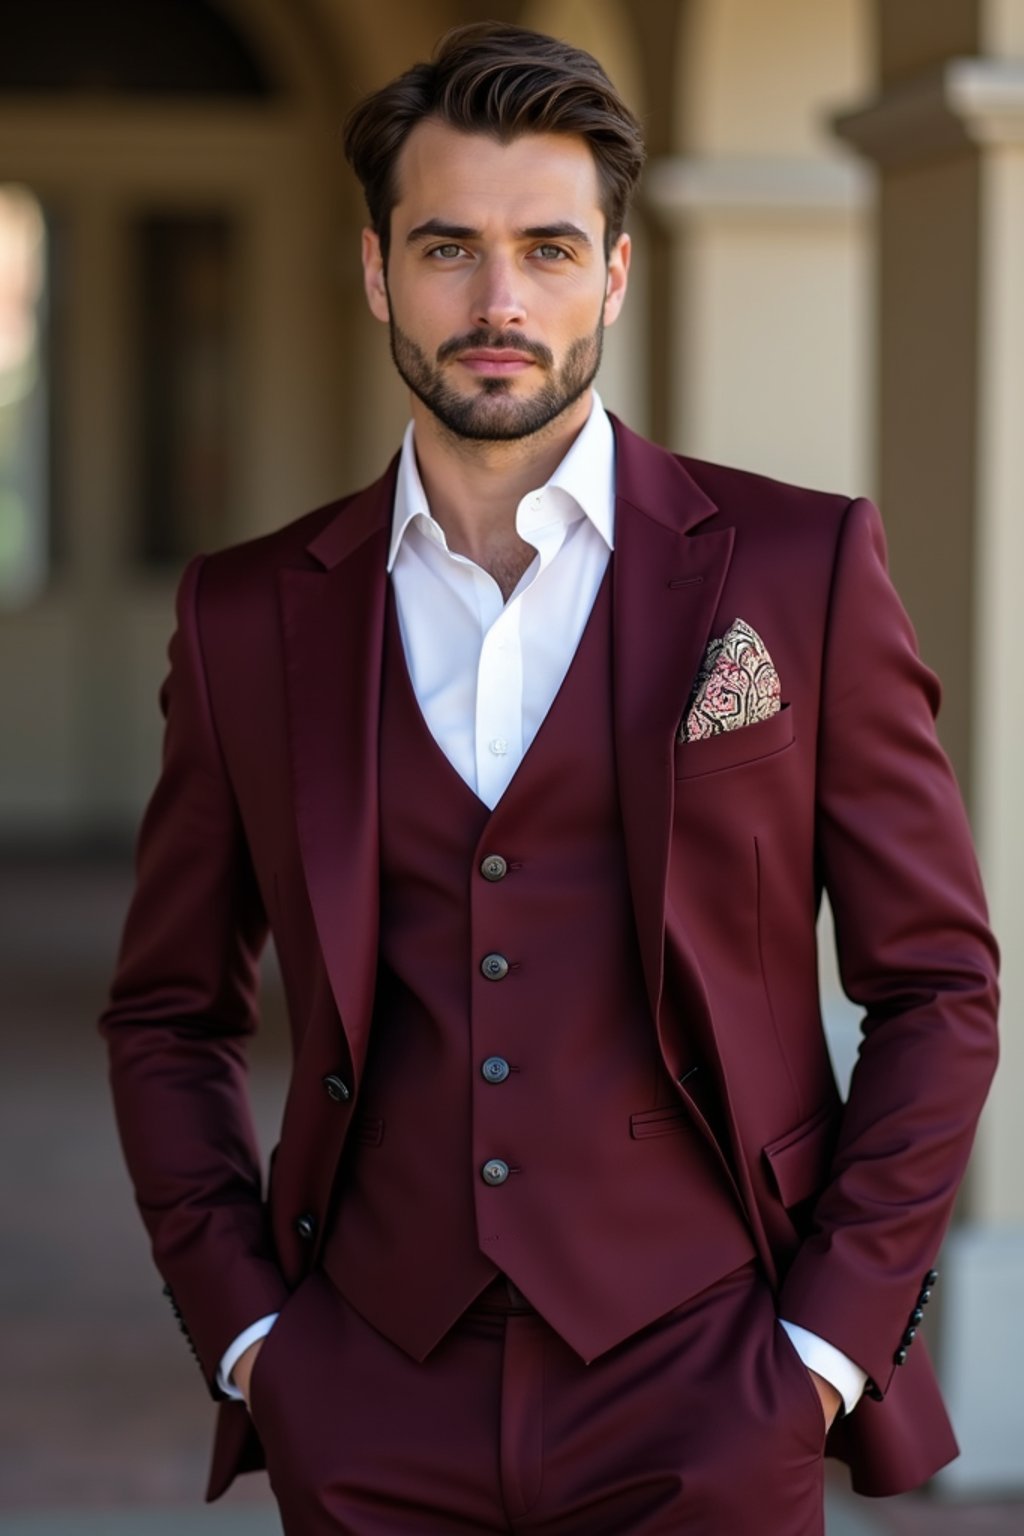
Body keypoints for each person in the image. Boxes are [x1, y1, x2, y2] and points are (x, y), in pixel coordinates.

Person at [100, 22, 999, 1536]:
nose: (499, 299)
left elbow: (939, 985)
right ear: (379, 270)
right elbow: (169, 1008)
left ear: (617, 274)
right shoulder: (250, 615)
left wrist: (824, 1351)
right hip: (370, 1392)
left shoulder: (798, 568)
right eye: (448, 245)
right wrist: (254, 1339)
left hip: (708, 1388)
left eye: (548, 247)